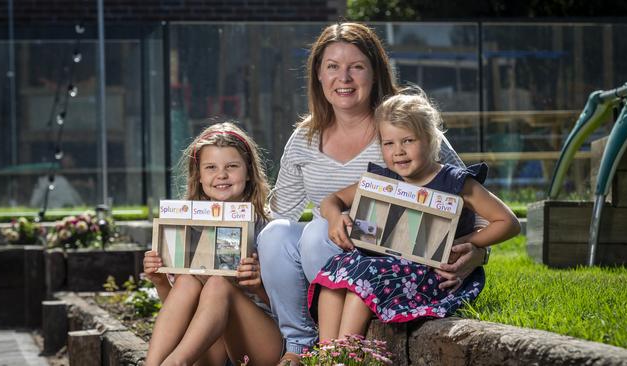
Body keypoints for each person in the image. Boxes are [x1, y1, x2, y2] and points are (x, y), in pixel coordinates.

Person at [256, 22, 488, 365]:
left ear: (375, 73)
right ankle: (300, 344)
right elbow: (277, 216)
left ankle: (342, 341)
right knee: (277, 235)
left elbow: (475, 208)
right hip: (326, 254)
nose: (344, 78)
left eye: (356, 67)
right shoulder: (303, 140)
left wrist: (475, 255)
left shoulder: (404, 130)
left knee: (318, 230)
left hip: (392, 262)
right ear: (318, 76)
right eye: (332, 67)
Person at [308, 92, 521, 340]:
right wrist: (335, 217)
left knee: (360, 283)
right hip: (383, 266)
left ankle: (346, 356)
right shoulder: (384, 181)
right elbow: (331, 200)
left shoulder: (455, 182)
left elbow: (509, 223)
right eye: (388, 143)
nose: (398, 151)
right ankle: (325, 354)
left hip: (430, 276)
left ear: (430, 139)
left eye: (408, 140)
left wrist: (464, 242)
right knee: (333, 278)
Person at [143, 122, 282, 366]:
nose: (222, 175)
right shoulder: (190, 229)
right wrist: (160, 281)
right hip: (213, 349)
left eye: (232, 166)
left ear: (248, 172)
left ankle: (175, 363)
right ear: (199, 176)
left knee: (218, 284)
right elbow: (183, 314)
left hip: (262, 343)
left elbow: (293, 312)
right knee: (187, 281)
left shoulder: (270, 230)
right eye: (211, 167)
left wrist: (258, 286)